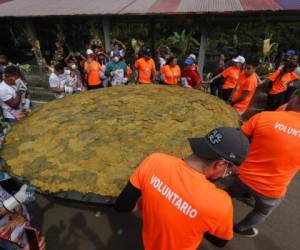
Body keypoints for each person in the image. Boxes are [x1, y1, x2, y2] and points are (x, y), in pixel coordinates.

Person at [115, 127, 249, 250]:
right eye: (230, 168)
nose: (229, 173)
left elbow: (122, 205)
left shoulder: (155, 160)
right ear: (221, 163)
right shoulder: (221, 203)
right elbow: (220, 241)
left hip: (147, 242)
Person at [226, 91, 300, 237]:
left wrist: (233, 164)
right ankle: (241, 228)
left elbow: (238, 139)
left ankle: (214, 213)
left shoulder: (265, 116)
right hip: (272, 190)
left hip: (244, 176)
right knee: (261, 211)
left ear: (297, 100)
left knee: (227, 195)